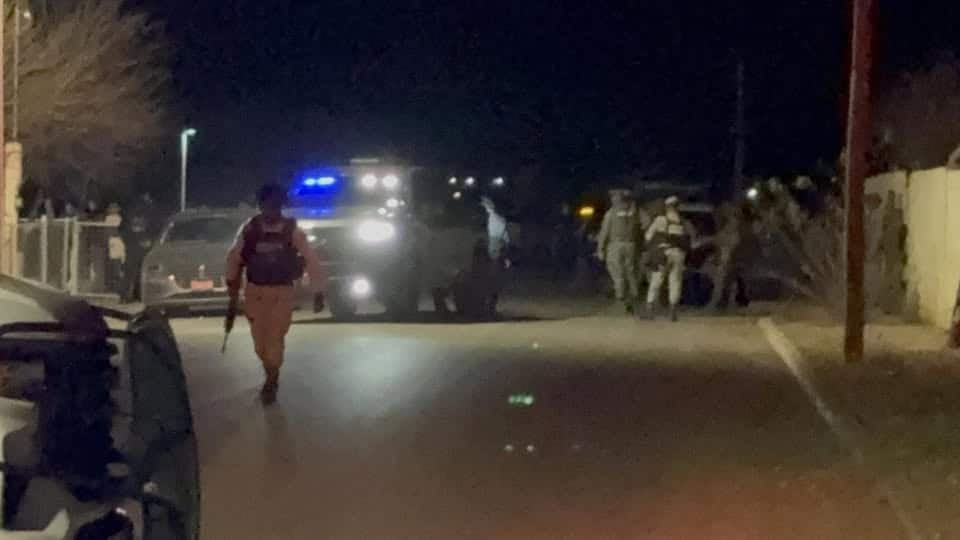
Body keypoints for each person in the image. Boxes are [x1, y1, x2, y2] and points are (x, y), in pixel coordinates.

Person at [226, 183, 324, 405]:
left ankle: (271, 379)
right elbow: (234, 259)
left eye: (275, 205)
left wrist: (318, 291)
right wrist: (232, 290)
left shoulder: (292, 231)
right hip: (255, 292)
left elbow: (312, 260)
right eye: (267, 205)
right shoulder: (250, 230)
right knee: (260, 342)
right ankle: (270, 371)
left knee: (275, 336)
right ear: (261, 206)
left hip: (282, 291)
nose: (271, 209)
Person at [596, 189, 646, 313]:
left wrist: (600, 248)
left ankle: (621, 298)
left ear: (617, 199)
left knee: (616, 271)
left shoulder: (612, 212)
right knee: (630, 271)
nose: (612, 200)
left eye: (613, 198)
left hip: (615, 245)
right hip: (631, 245)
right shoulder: (635, 211)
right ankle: (633, 295)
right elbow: (646, 222)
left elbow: (604, 232)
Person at [645, 195, 694, 321]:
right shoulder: (683, 222)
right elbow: (692, 237)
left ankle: (650, 310)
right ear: (678, 207)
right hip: (679, 255)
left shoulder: (660, 219)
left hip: (664, 254)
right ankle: (673, 311)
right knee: (675, 282)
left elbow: (648, 236)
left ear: (667, 207)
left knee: (656, 281)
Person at [480, 197, 511, 316]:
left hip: (492, 253)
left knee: (491, 280)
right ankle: (490, 306)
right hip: (495, 252)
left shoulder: (494, 220)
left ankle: (489, 307)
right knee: (493, 281)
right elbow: (506, 239)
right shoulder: (499, 220)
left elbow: (500, 239)